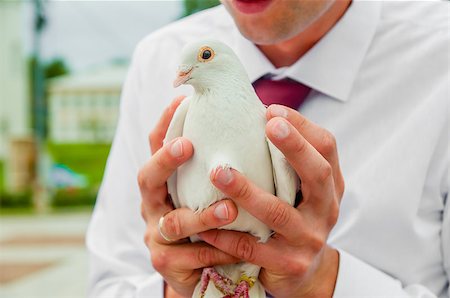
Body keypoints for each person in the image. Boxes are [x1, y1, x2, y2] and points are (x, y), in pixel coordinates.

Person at [86, 0, 449, 297]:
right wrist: (175, 288)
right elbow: (112, 284)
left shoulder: (440, 57)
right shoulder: (158, 60)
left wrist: (325, 284)